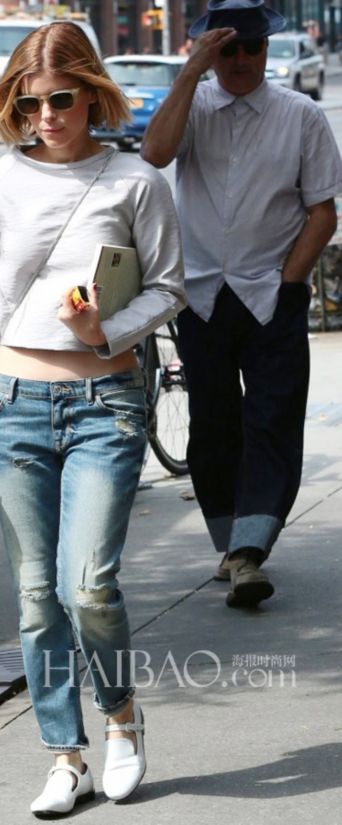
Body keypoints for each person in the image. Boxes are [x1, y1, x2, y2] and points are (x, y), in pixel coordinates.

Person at [0, 21, 185, 817]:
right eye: (29, 104)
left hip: (106, 404)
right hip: (13, 407)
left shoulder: (135, 181)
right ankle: (65, 755)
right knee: (36, 595)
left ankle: (121, 716)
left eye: (61, 99)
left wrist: (107, 329)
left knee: (87, 585)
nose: (46, 117)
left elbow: (170, 287)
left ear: (91, 94)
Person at [142, 0, 342, 608]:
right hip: (201, 295)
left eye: (251, 47)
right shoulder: (193, 105)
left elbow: (322, 213)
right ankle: (232, 546)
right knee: (213, 426)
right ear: (210, 53)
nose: (239, 60)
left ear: (266, 49)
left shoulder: (300, 115)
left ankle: (250, 550)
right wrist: (188, 72)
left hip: (272, 294)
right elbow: (155, 154)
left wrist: (288, 281)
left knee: (273, 420)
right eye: (226, 49)